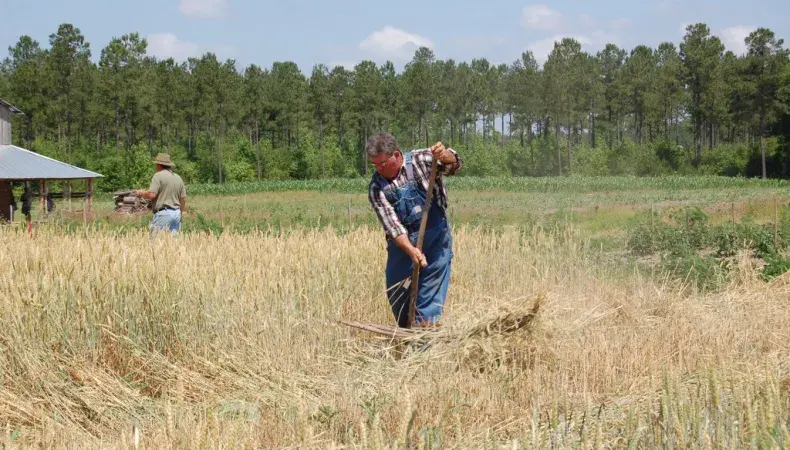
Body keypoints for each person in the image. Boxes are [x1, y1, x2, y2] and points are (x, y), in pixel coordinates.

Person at [366, 132, 462, 328]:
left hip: (436, 240)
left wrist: (444, 155)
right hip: (403, 247)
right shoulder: (377, 187)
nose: (379, 169)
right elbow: (393, 226)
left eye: (382, 163)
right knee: (398, 295)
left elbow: (454, 162)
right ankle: (407, 334)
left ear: (396, 155)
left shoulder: (421, 159)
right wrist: (411, 251)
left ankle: (421, 346)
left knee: (427, 302)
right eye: (374, 165)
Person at [135, 153, 187, 234]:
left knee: (156, 242)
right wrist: (180, 213)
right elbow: (183, 199)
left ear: (159, 165)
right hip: (176, 213)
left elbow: (152, 195)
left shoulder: (158, 175)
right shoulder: (178, 178)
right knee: (172, 243)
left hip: (164, 213)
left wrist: (141, 193)